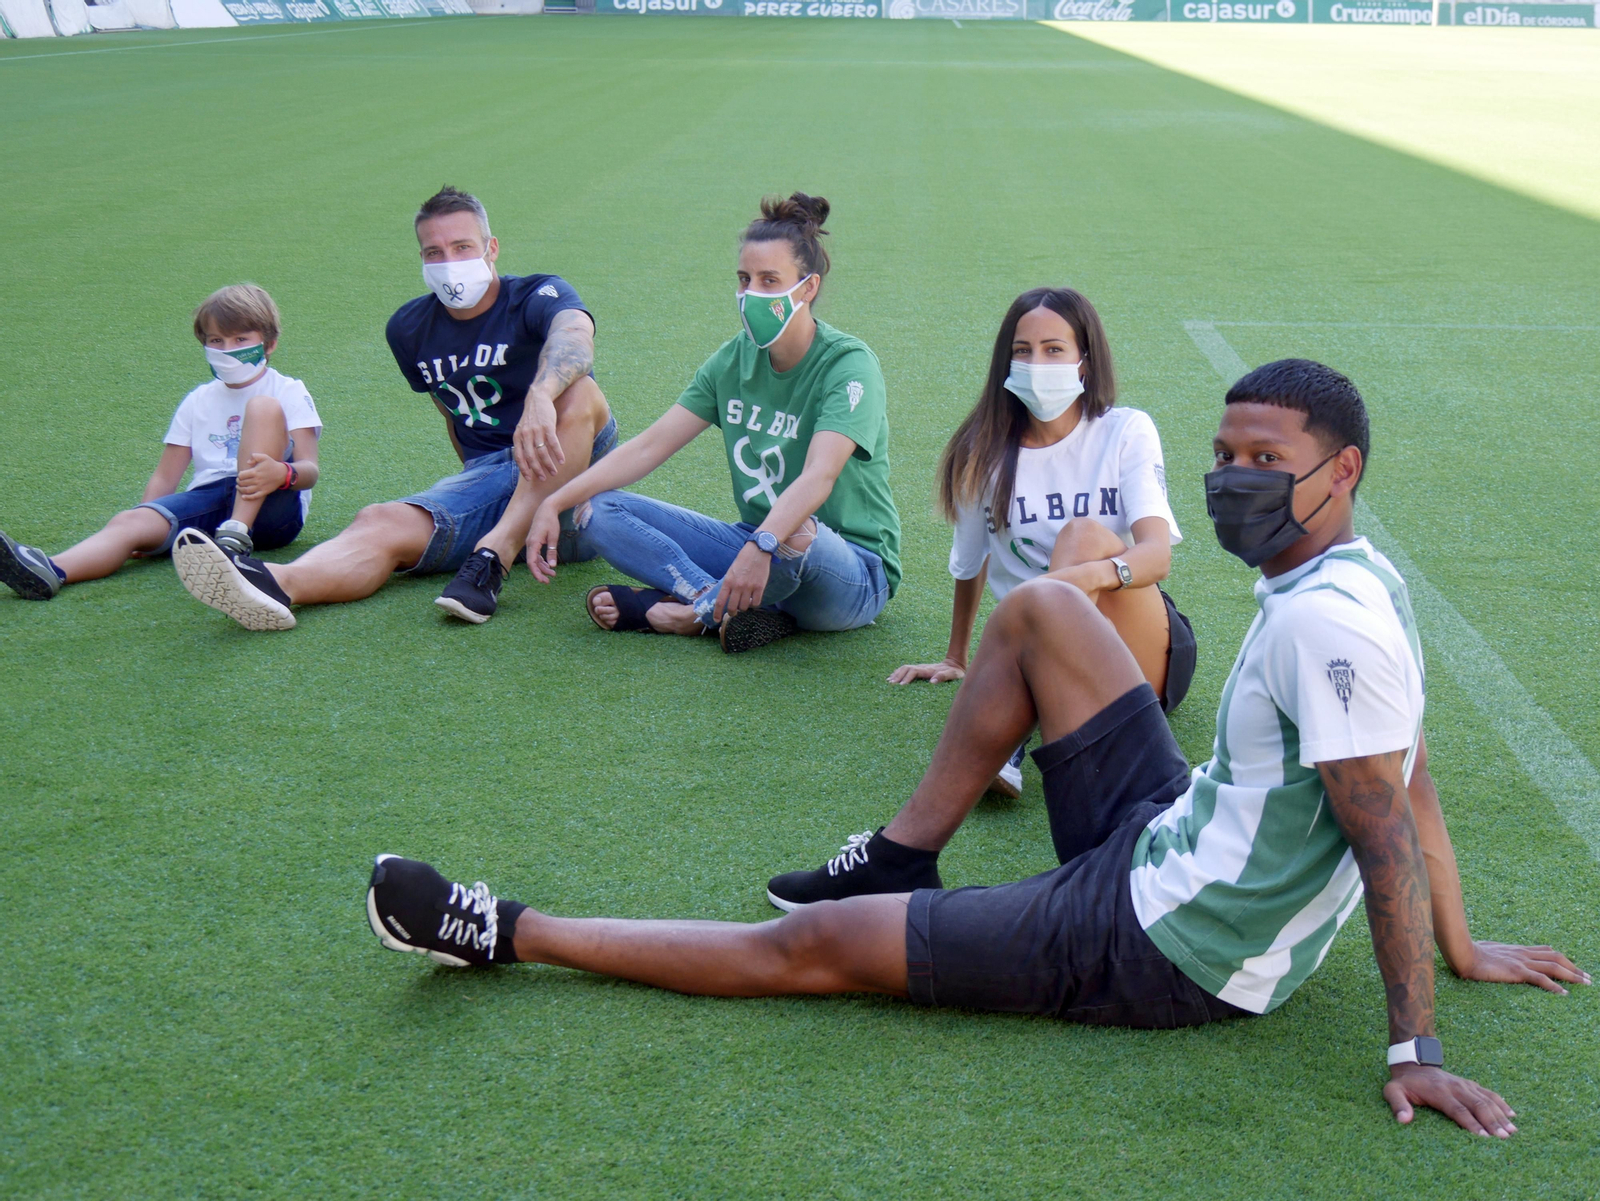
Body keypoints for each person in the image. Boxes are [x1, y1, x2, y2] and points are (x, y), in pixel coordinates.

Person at [364, 359, 1587, 1136]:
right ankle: (902, 851)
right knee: (1045, 607)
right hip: (1172, 830)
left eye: (1266, 462)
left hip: (1166, 940)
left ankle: (500, 929)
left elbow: (1383, 825)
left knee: (814, 947)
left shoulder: (1331, 623)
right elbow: (1411, 761)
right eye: (1223, 457)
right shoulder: (1353, 572)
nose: (1232, 481)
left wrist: (1416, 1041)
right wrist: (1467, 943)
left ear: (1343, 469)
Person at [170, 186, 614, 631]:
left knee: (581, 394)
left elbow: (575, 337)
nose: (449, 263)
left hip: (579, 489)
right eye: (434, 252)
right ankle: (276, 585)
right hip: (498, 479)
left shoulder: (538, 293)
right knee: (380, 520)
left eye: (462, 247)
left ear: (491, 248)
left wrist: (540, 396)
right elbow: (450, 414)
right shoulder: (408, 328)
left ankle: (494, 555)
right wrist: (474, 489)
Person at [523, 192, 900, 655]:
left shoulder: (848, 365)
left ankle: (697, 614)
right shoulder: (732, 361)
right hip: (756, 547)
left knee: (794, 529)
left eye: (769, 280)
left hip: (850, 574)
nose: (751, 294)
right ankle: (722, 603)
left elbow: (819, 475)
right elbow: (650, 446)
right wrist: (556, 499)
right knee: (596, 509)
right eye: (745, 280)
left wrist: (761, 546)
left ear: (807, 288)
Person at [888, 286, 1192, 798]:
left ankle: (1011, 735)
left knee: (1080, 535)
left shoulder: (1124, 430)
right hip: (1050, 664)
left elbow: (1156, 555)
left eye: (1054, 349)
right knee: (1042, 619)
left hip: (1139, 650)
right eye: (1022, 351)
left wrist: (1077, 580)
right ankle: (1034, 708)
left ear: (1084, 363)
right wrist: (957, 657)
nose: (1036, 363)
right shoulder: (980, 453)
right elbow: (970, 563)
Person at [0, 284, 321, 603]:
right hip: (210, 502)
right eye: (216, 341)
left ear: (269, 344)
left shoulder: (287, 390)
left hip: (273, 506)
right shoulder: (198, 400)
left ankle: (235, 538)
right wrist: (147, 521)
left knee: (262, 408)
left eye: (240, 339)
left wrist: (282, 474)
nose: (227, 349)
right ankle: (50, 570)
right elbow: (166, 476)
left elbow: (309, 470)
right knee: (131, 521)